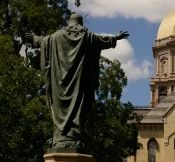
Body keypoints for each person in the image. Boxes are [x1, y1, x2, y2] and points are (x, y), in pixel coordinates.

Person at [25, 13, 129, 151]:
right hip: (79, 85)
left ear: (70, 22)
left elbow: (44, 41)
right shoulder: (87, 37)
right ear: (80, 23)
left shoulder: (55, 37)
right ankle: (73, 137)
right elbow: (102, 41)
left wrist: (34, 38)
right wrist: (115, 37)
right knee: (80, 107)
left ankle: (60, 137)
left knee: (60, 107)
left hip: (59, 84)